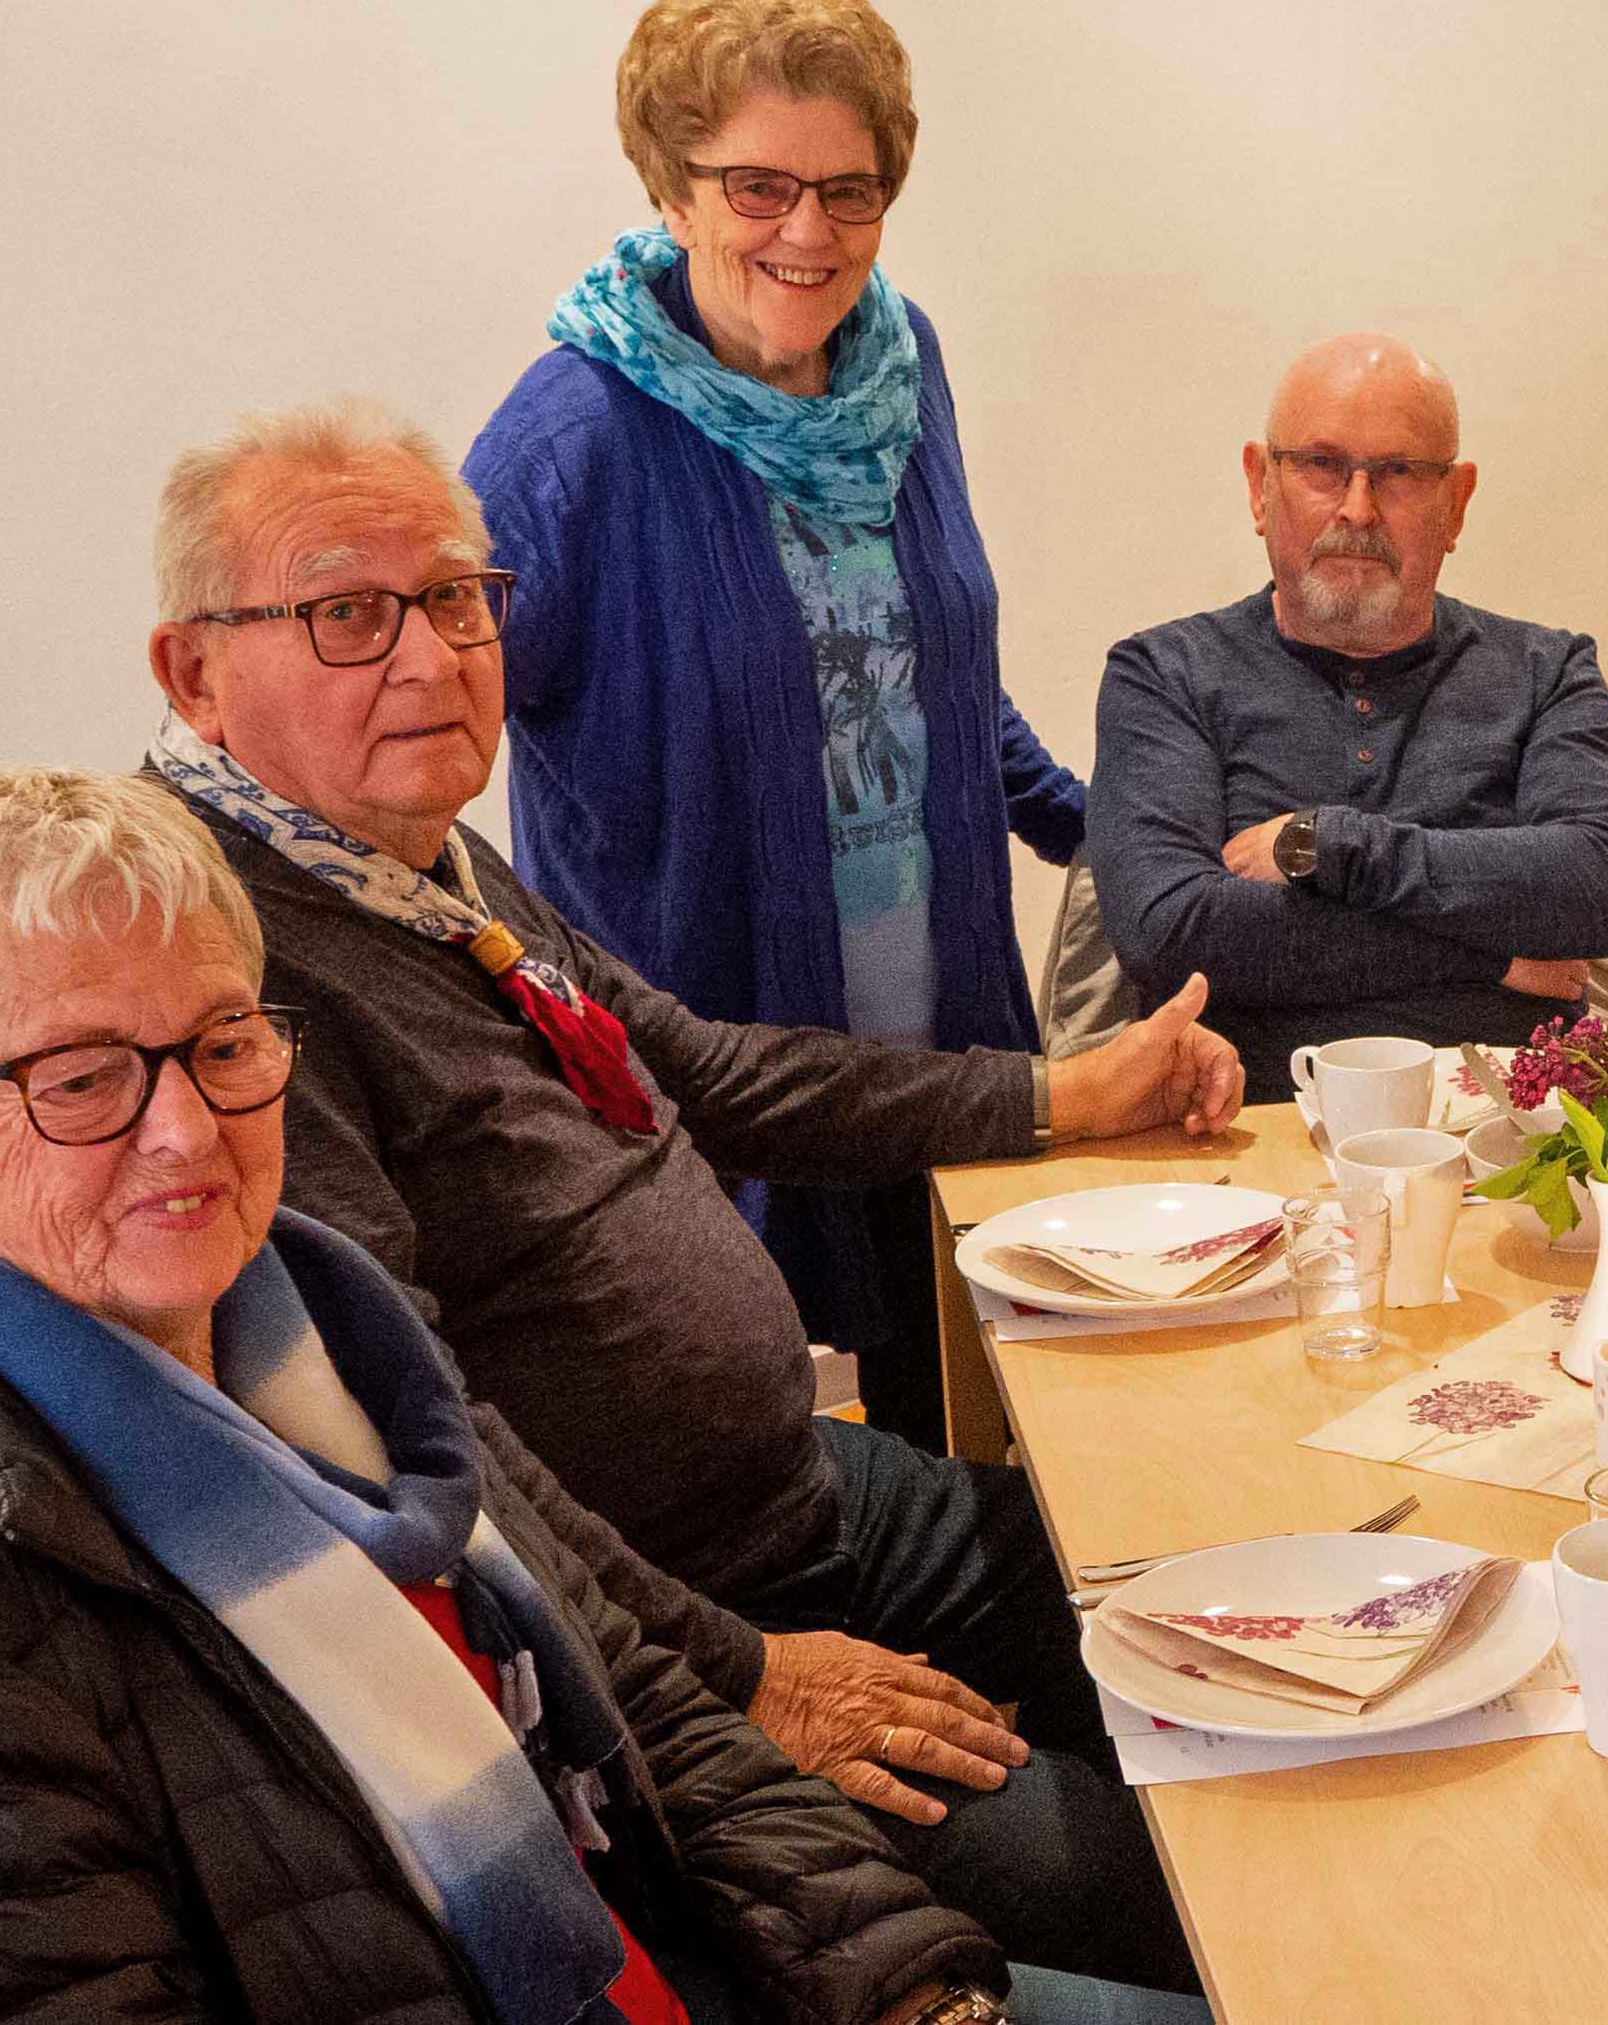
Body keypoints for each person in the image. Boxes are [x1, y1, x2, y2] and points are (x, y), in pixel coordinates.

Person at [142, 400, 1234, 2002]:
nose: (434, 658)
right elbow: (401, 1420)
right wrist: (741, 1675)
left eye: (457, 599)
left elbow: (716, 1075)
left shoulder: (419, 866)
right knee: (1219, 1882)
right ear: (193, 672)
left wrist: (1057, 1093)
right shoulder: (232, 966)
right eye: (346, 612)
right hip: (685, 1634)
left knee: (1232, 1626)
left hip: (808, 1497)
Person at [0, 763, 1008, 2025]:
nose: (188, 1129)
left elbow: (640, 1701)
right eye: (80, 1077)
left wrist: (904, 1981)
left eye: (221, 1039)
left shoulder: (313, 1315)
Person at [465, 0, 1085, 1404]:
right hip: (727, 1097)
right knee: (779, 1518)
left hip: (941, 1048)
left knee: (991, 1456)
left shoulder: (900, 366)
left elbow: (918, 658)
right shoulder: (572, 437)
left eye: (848, 191)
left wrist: (1083, 820)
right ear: (670, 190)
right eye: (756, 185)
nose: (807, 231)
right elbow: (417, 735)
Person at [1086, 332, 1608, 1096]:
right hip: (1246, 1132)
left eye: (1399, 473)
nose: (1357, 508)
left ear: (1456, 502)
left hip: (1513, 1142)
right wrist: (1495, 957)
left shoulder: (1546, 671)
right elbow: (1172, 936)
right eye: (1320, 465)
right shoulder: (1165, 675)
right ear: (1260, 486)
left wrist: (1331, 848)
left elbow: (1600, 889)